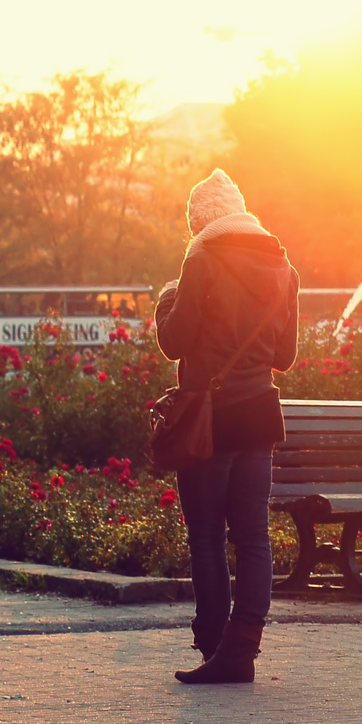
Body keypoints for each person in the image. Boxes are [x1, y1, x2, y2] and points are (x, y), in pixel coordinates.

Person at [155, 168, 299, 685]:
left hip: (209, 423)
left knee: (208, 538)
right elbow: (285, 354)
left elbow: (174, 340)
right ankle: (241, 651)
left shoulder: (202, 258)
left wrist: (166, 300)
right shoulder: (283, 265)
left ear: (201, 222)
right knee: (254, 539)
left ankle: (215, 644)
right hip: (259, 416)